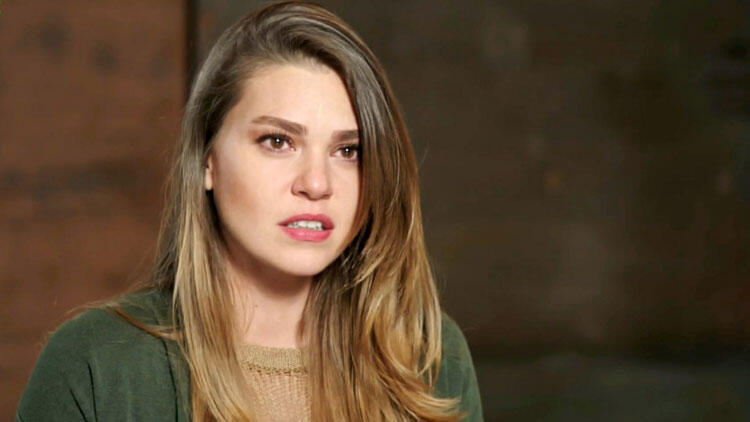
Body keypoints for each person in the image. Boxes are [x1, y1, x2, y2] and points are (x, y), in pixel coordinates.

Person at [17, 2, 483, 421]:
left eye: (348, 151)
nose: (316, 184)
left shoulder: (429, 359)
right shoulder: (95, 365)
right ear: (207, 160)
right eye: (277, 141)